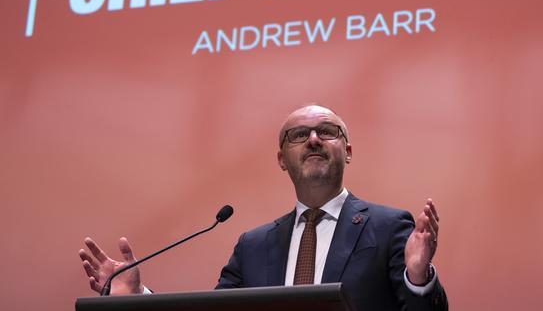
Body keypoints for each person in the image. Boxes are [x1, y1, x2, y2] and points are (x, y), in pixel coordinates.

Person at [79, 105, 448, 310]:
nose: (314, 139)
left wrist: (418, 279)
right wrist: (138, 299)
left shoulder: (388, 226)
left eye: (327, 131)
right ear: (281, 159)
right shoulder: (252, 246)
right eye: (299, 135)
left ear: (347, 151)